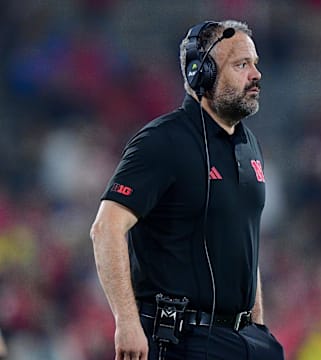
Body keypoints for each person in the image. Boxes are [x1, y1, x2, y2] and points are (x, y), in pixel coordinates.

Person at [90, 19, 284, 360]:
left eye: (255, 64)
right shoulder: (161, 141)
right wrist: (127, 322)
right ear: (202, 73)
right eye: (241, 65)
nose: (256, 74)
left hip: (247, 341)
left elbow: (242, 241)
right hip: (184, 341)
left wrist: (257, 323)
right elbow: (106, 229)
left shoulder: (250, 144)